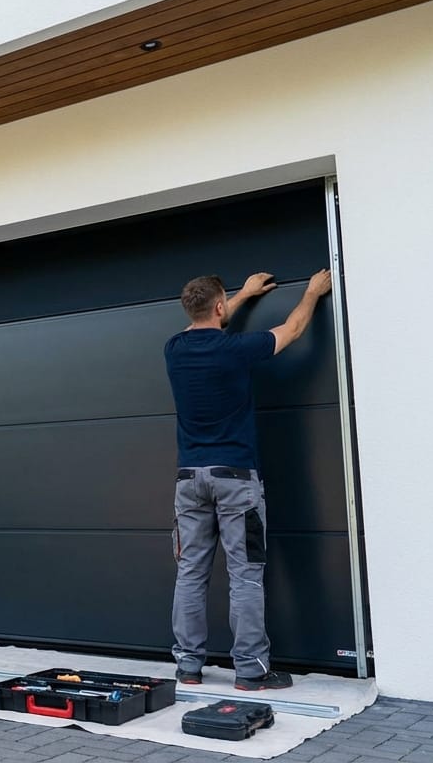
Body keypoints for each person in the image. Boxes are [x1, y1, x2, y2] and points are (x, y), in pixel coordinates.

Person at [164, 268, 332, 690]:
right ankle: (251, 672)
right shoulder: (237, 348)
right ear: (219, 308)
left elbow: (200, 320)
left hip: (190, 480)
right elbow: (293, 330)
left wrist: (237, 297)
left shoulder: (175, 349)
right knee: (245, 575)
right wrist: (312, 291)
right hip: (236, 478)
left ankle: (187, 667)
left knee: (190, 574)